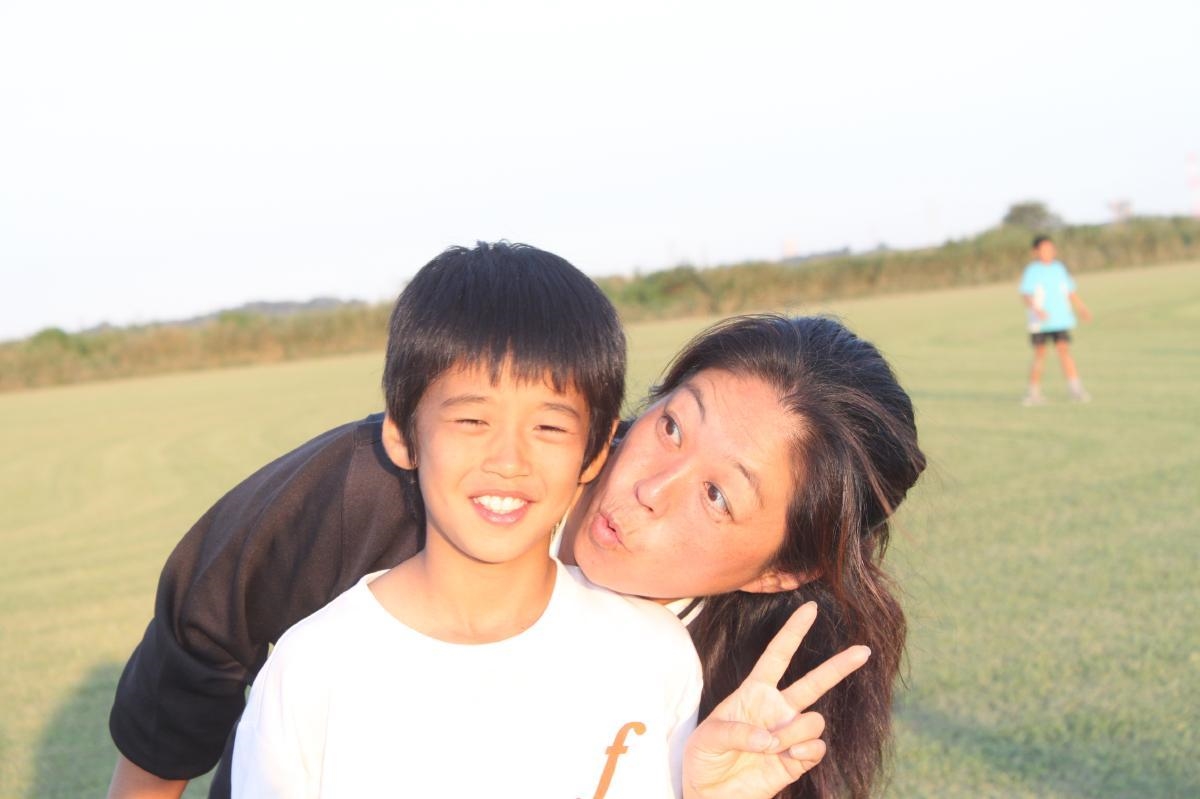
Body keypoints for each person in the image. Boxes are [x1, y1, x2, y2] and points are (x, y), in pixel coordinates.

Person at [108, 308, 923, 799]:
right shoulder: (388, 486)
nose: (650, 484)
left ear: (781, 571)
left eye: (717, 495)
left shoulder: (738, 706)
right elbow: (196, 647)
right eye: (673, 424)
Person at [230, 240, 710, 797]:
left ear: (595, 451)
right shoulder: (312, 669)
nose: (508, 460)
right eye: (471, 420)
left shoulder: (651, 652)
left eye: (549, 427)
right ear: (402, 434)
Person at [1019, 234, 1093, 405]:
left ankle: (1076, 390)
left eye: (1050, 249)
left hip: (1060, 319)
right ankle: (1033, 393)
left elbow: (1069, 291)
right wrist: (1037, 310)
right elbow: (1026, 294)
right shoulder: (1032, 270)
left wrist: (1081, 307)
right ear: (1035, 252)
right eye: (1044, 249)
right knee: (1040, 354)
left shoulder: (1059, 268)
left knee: (1064, 352)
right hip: (1040, 322)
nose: (1048, 252)